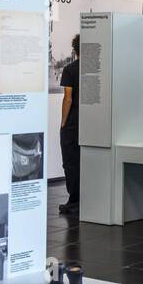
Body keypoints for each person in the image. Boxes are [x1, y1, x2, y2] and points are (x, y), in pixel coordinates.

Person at [58, 33, 81, 215]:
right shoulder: (97, 69)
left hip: (73, 123)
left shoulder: (70, 70)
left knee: (71, 162)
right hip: (91, 123)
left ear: (75, 49)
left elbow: (68, 98)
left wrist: (63, 123)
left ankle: (74, 201)